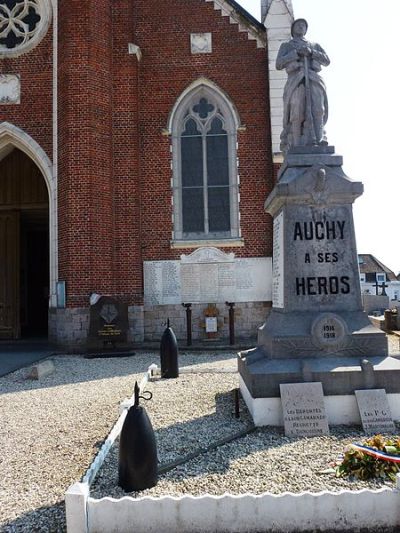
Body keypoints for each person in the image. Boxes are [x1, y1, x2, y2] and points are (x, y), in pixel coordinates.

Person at [276, 18, 330, 153]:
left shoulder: (314, 45)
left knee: (318, 109)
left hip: (313, 80)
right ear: (292, 29)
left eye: (303, 25)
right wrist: (295, 53)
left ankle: (319, 139)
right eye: (298, 25)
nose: (301, 27)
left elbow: (326, 60)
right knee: (297, 111)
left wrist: (311, 52)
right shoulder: (287, 46)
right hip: (296, 81)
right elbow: (279, 64)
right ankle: (296, 142)